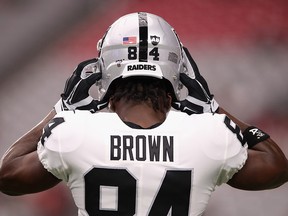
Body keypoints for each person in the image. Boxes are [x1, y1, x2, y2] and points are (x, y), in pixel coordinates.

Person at [0, 12, 287, 216]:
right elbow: (277, 168)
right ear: (177, 72)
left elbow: (8, 176)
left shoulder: (73, 131)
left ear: (105, 70)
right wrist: (213, 108)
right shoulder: (209, 134)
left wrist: (60, 109)